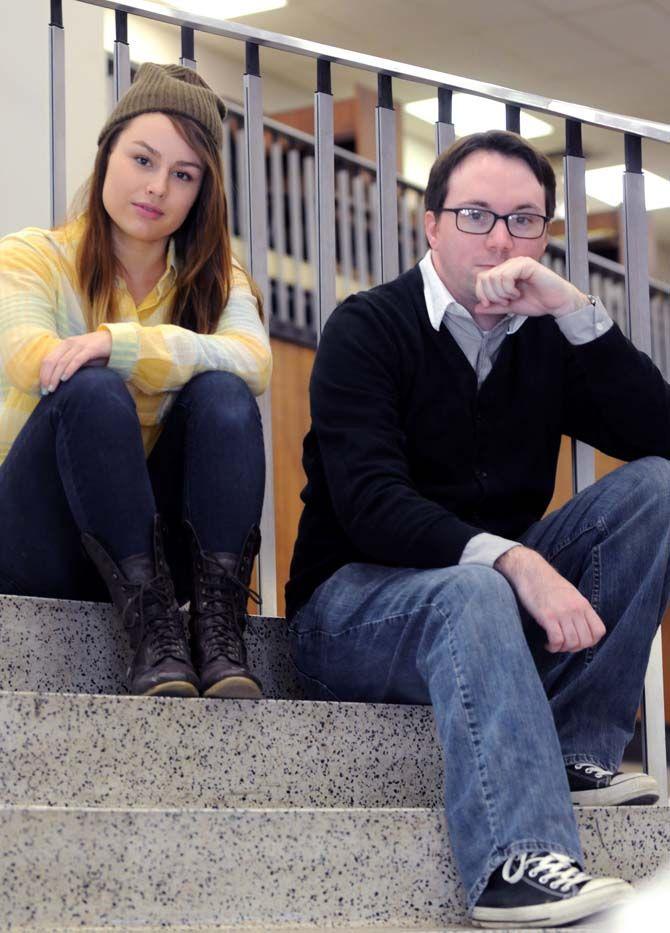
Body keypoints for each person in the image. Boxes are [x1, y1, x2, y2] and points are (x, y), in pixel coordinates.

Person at [286, 130, 670, 928]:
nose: (501, 239)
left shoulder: (545, 339)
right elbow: (369, 503)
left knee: (658, 488)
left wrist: (574, 311)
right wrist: (514, 562)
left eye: (525, 220)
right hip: (352, 612)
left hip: (483, 613)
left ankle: (570, 745)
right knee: (473, 586)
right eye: (476, 215)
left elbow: (659, 433)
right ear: (430, 226)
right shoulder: (368, 327)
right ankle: (513, 860)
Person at [0, 63, 272, 700]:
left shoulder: (218, 279)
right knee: (89, 391)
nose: (157, 188)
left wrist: (118, 345)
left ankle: (218, 633)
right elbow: (31, 357)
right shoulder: (32, 256)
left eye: (184, 175)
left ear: (202, 192)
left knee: (224, 396)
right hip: (38, 535)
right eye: (142, 160)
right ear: (106, 155)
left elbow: (254, 364)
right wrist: (138, 360)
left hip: (158, 553)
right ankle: (154, 641)